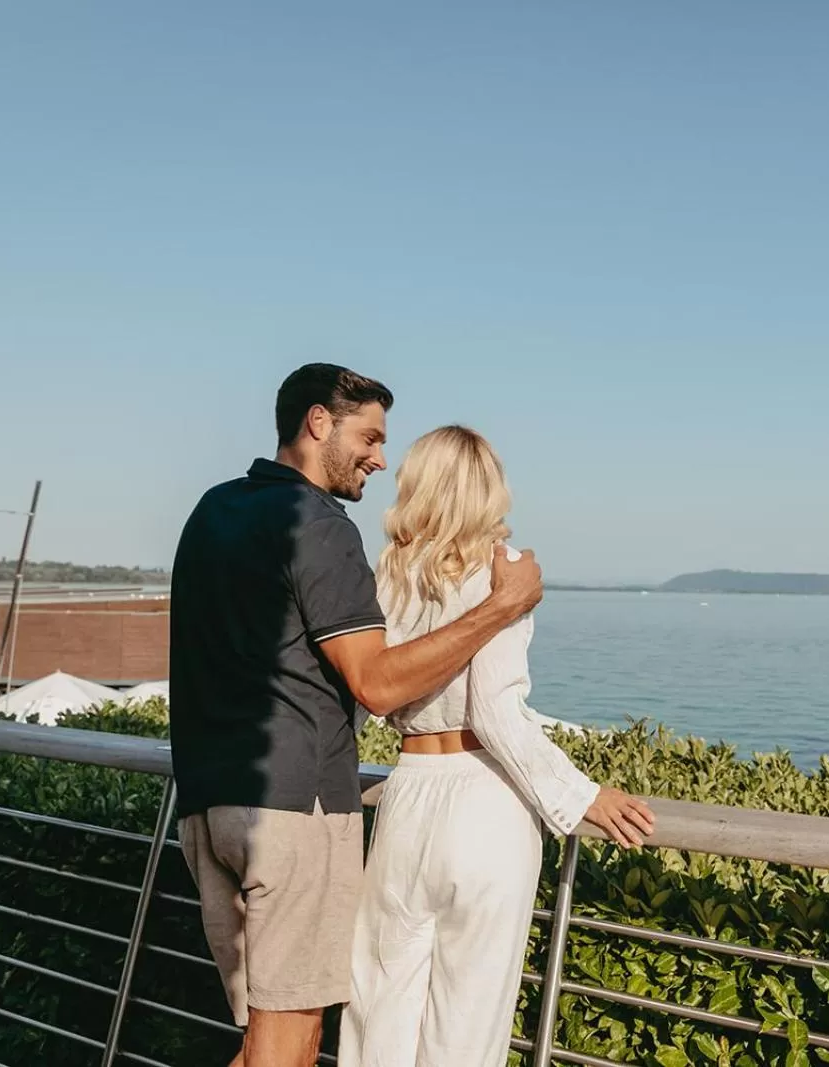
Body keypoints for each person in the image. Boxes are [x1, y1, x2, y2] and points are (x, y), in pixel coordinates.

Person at [169, 365, 546, 1067]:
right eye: (369, 436)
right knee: (291, 1039)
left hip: (204, 804)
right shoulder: (318, 525)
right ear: (318, 423)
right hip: (290, 813)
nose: (379, 457)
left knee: (259, 1036)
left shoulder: (211, 511)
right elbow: (375, 682)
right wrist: (500, 607)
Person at [337, 425, 655, 1067]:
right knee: (466, 1028)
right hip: (485, 800)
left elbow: (377, 697)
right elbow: (496, 712)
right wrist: (583, 796)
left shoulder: (388, 574)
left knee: (377, 1014)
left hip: (407, 795)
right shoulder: (500, 574)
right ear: (490, 491)